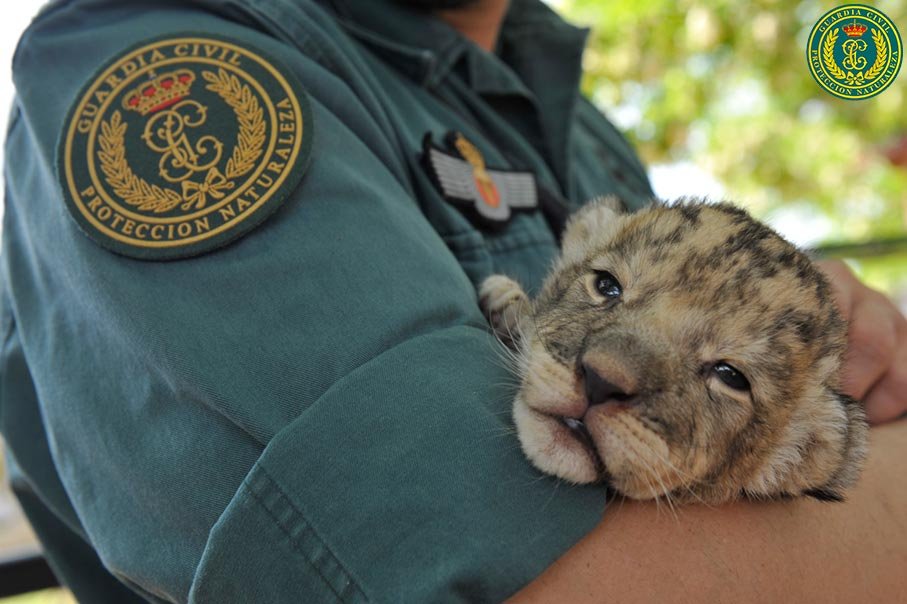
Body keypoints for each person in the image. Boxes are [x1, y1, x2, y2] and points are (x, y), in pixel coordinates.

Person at [1, 0, 904, 601]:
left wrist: (813, 348)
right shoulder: (167, 59)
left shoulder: (575, 120)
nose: (607, 364)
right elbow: (490, 574)